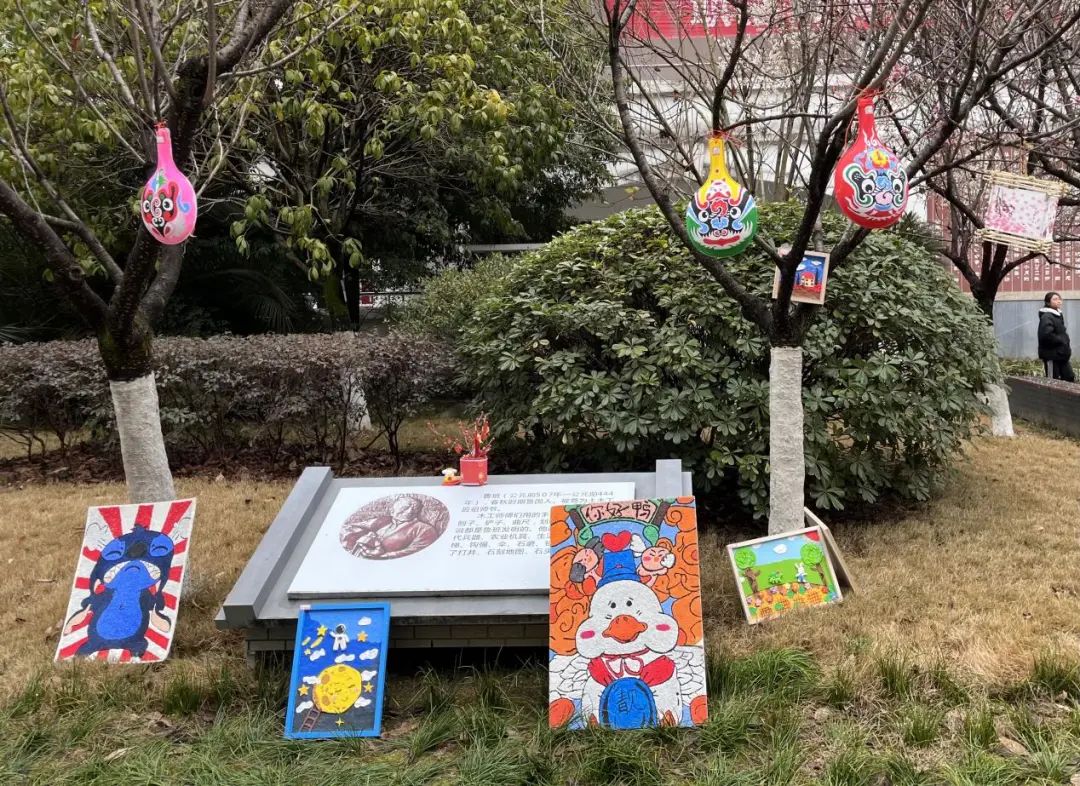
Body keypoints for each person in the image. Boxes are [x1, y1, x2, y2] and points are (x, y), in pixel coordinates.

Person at [340, 495, 442, 559]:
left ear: (415, 512)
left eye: (411, 508)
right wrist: (365, 538)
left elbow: (415, 552)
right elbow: (351, 528)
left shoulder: (425, 529)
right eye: (403, 508)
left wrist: (381, 556)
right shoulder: (383, 520)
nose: (409, 511)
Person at [1038, 292, 1075, 382]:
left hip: (1061, 355)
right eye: (1055, 299)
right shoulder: (1047, 316)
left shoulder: (1057, 315)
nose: (1058, 301)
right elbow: (1046, 335)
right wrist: (1062, 340)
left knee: (1069, 377)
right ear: (1048, 302)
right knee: (1053, 381)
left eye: (1059, 299)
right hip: (1051, 355)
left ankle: (1066, 396)